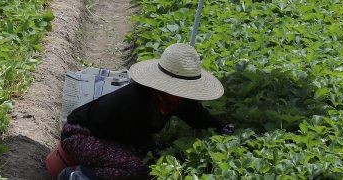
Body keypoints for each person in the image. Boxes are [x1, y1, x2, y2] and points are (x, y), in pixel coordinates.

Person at [58, 44, 234, 180]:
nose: (184, 93)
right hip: (81, 136)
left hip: (112, 138)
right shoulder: (136, 98)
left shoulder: (177, 99)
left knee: (149, 162)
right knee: (141, 167)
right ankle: (79, 175)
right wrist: (160, 154)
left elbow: (197, 116)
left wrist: (221, 126)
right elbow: (139, 141)